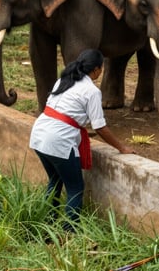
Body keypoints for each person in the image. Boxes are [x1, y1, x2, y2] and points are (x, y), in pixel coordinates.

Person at [29, 49, 134, 231]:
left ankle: (46, 224)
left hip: (39, 134)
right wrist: (121, 147)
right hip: (58, 140)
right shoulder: (92, 91)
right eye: (101, 68)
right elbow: (99, 127)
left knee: (55, 181)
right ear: (96, 69)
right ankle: (68, 233)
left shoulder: (63, 80)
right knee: (75, 188)